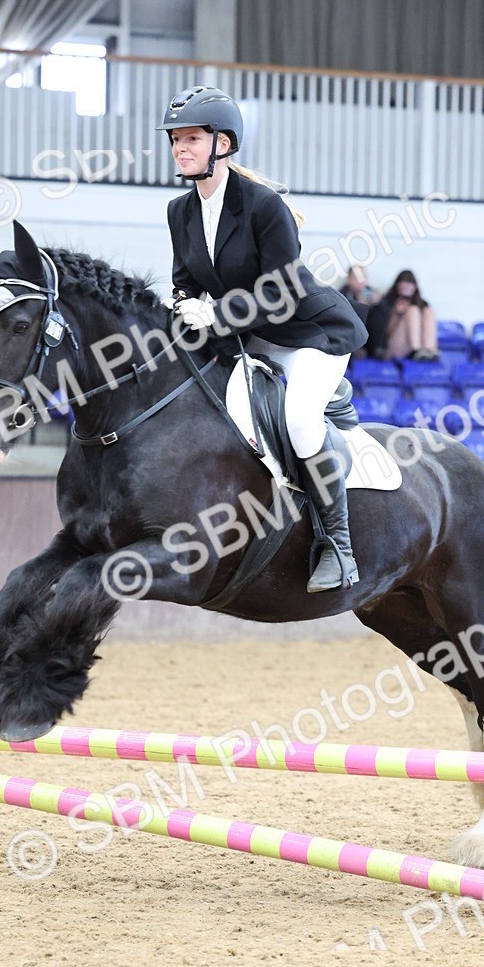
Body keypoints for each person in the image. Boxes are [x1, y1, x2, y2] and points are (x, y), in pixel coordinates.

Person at [157, 85, 368, 592]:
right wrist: (182, 305)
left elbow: (281, 293)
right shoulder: (179, 211)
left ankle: (338, 546)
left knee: (299, 421)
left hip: (309, 336)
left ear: (223, 144)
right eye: (176, 139)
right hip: (249, 340)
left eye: (191, 138)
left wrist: (215, 313)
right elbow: (186, 280)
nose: (180, 148)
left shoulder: (263, 206)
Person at [366, 269, 438, 360]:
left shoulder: (422, 304)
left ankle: (428, 349)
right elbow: (384, 333)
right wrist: (397, 314)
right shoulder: (388, 302)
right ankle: (416, 350)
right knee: (413, 310)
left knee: (428, 311)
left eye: (409, 285)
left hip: (418, 343)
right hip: (395, 344)